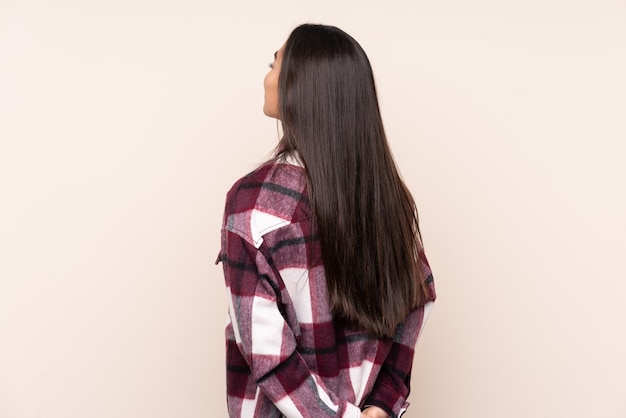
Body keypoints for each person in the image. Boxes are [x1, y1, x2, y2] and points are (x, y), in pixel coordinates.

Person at [217, 24, 436, 418]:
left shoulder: (252, 204)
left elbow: (270, 358)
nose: (267, 77)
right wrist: (381, 405)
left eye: (275, 64)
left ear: (300, 85)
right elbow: (417, 296)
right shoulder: (385, 198)